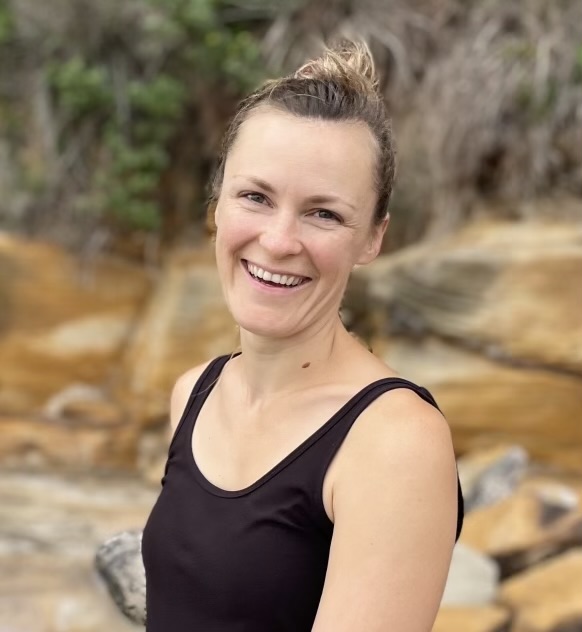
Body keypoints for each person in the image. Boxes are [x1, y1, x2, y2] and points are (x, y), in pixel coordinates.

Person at [141, 38, 464, 632]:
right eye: (255, 197)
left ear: (373, 237)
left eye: (324, 213)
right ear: (217, 205)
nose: (279, 241)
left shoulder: (394, 443)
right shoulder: (195, 394)